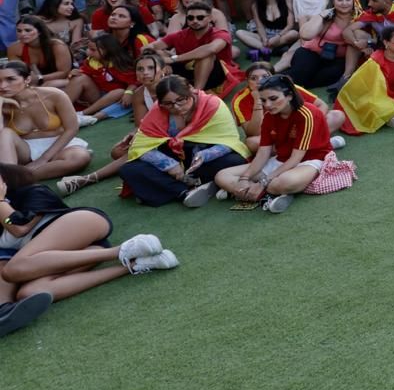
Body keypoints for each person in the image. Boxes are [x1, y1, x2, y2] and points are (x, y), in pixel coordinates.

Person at [0, 163, 177, 337]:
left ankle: (120, 251)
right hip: (79, 253)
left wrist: (0, 201)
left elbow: (18, 226)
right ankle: (134, 264)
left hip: (82, 222)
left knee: (13, 270)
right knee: (29, 293)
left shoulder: (33, 191)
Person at [204, 76, 342, 214]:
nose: (268, 105)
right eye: (263, 100)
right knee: (222, 175)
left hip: (310, 159)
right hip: (280, 160)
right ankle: (267, 195)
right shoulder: (269, 117)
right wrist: (245, 178)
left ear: (289, 96)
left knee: (284, 182)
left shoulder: (306, 114)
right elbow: (263, 153)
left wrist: (263, 182)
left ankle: (245, 192)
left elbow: (296, 158)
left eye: (273, 98)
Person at [117, 75, 250, 206]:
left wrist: (204, 156)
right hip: (173, 161)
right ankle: (184, 191)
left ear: (190, 90)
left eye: (181, 99)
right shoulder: (158, 110)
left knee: (235, 161)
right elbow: (141, 146)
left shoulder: (212, 104)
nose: (177, 107)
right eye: (168, 104)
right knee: (128, 169)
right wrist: (169, 165)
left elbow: (229, 141)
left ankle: (170, 188)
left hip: (202, 160)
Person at [0, 62, 93, 184]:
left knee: (80, 157)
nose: (2, 86)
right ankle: (11, 177)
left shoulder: (53, 95)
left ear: (27, 79)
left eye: (10, 79)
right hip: (24, 149)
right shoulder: (3, 105)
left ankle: (14, 178)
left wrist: (43, 159)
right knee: (6, 133)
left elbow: (72, 129)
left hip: (59, 144)